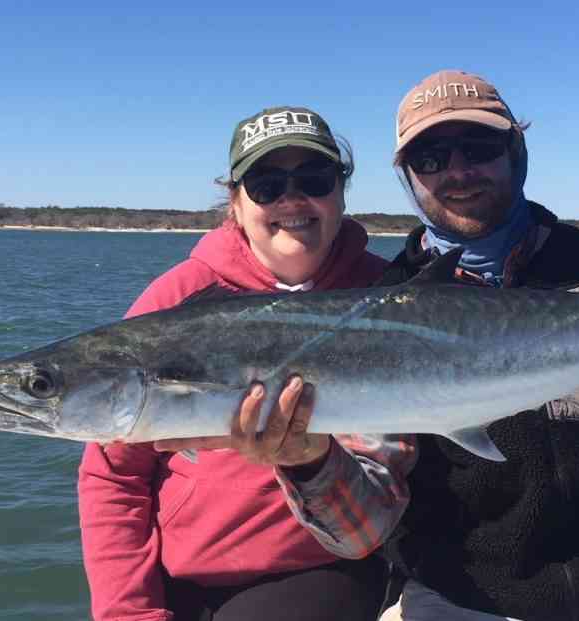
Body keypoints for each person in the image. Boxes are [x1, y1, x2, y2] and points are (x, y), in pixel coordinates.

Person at [163, 71, 579, 621]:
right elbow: (363, 531)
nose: (458, 172)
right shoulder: (380, 305)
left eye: (479, 147)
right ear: (409, 177)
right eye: (431, 159)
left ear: (516, 152)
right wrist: (305, 459)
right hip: (449, 605)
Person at [77, 106, 390, 621]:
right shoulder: (177, 298)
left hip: (318, 570)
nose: (292, 199)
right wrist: (129, 613)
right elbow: (113, 477)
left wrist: (306, 456)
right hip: (180, 572)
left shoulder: (390, 298)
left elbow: (382, 488)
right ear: (236, 202)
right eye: (266, 184)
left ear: (340, 192)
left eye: (314, 179)